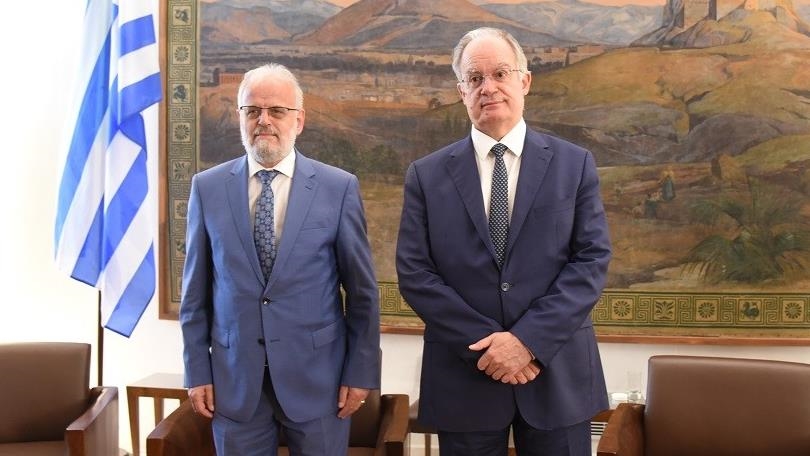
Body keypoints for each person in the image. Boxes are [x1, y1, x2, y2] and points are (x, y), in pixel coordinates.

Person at [396, 27, 612, 456]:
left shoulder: (574, 164)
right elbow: (416, 274)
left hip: (555, 374)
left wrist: (526, 342)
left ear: (525, 81)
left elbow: (591, 261)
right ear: (461, 91)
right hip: (465, 376)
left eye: (500, 73)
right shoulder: (426, 175)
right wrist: (491, 347)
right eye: (475, 78)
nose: (488, 87)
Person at [180, 63, 380, 456]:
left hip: (320, 382)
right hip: (234, 383)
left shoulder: (338, 188)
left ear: (299, 120)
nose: (263, 121)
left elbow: (362, 294)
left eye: (276, 111)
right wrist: (196, 370)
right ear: (240, 118)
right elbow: (195, 296)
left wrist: (361, 372)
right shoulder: (207, 188)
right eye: (252, 111)